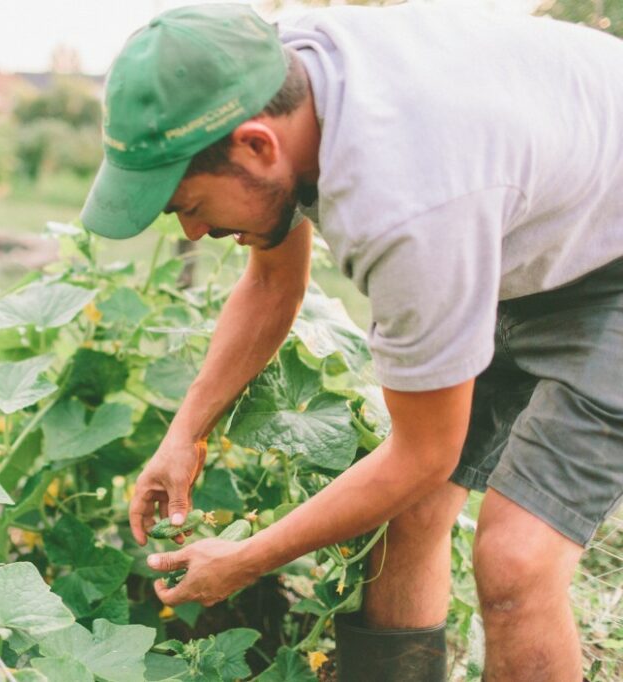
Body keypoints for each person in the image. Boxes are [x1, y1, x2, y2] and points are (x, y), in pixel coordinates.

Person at [79, 3, 623, 681]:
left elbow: (423, 454)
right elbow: (276, 282)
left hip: (609, 255)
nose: (191, 234)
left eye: (190, 206)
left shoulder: (407, 202)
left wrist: (246, 559)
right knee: (409, 514)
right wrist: (184, 432)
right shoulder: (276, 76)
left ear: (257, 146)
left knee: (515, 563)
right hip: (529, 210)